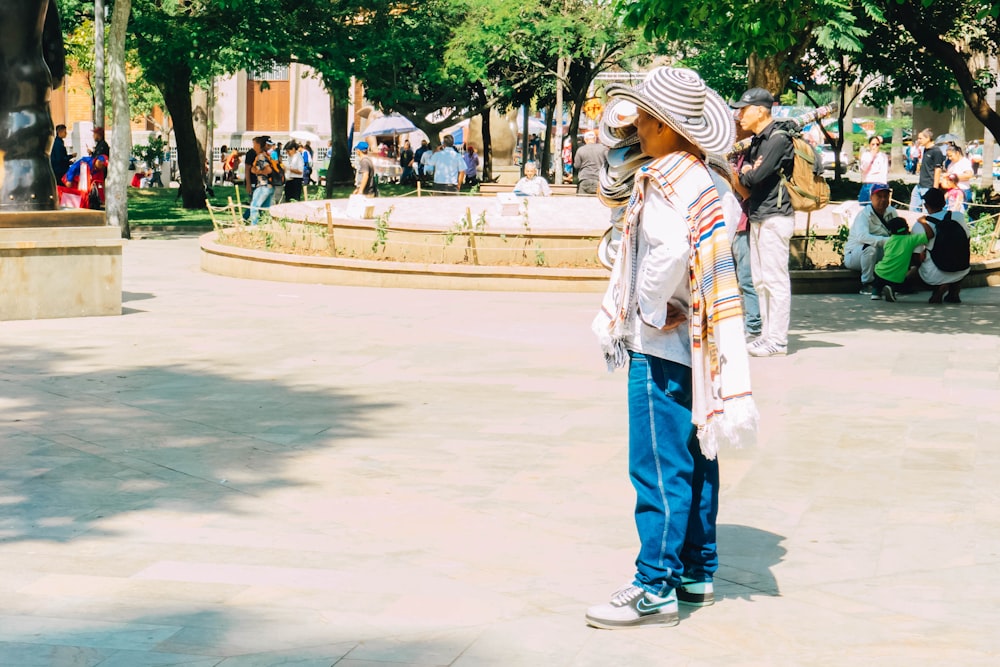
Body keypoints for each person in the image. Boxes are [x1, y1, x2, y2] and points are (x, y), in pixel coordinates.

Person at [587, 66, 757, 631]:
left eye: (644, 121)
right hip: (700, 345)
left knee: (657, 466)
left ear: (662, 125)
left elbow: (662, 253)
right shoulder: (705, 181)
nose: (635, 130)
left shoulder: (663, 181)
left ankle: (653, 584)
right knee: (697, 460)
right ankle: (695, 570)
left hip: (661, 344)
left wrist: (649, 309)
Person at [733, 86, 795, 357]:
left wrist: (746, 170)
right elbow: (748, 174)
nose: (740, 115)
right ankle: (767, 335)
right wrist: (747, 170)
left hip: (775, 215)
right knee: (760, 280)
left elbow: (752, 178)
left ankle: (778, 340)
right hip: (759, 214)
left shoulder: (777, 139)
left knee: (775, 281)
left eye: (744, 109)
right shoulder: (759, 139)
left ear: (760, 110)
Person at [728, 120, 762, 342]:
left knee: (746, 278)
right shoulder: (725, 155)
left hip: (742, 223)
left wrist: (730, 174)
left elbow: (747, 192)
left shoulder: (749, 158)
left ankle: (754, 325)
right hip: (723, 225)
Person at [915, 187, 971, 304]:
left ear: (925, 205)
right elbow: (967, 238)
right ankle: (954, 291)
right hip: (962, 267)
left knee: (916, 269)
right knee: (956, 259)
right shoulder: (958, 216)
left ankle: (940, 288)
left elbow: (916, 254)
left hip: (935, 272)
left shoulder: (921, 224)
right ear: (944, 202)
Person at [843, 183, 897, 293]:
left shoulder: (892, 212)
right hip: (855, 255)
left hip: (880, 252)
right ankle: (867, 283)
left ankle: (894, 281)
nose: (882, 200)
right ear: (871, 197)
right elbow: (863, 237)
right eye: (879, 196)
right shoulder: (864, 214)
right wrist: (888, 241)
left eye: (885, 196)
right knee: (870, 248)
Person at [872, 217, 935, 302]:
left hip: (879, 272)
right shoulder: (910, 240)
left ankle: (876, 292)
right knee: (903, 284)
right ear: (906, 228)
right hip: (896, 277)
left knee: (878, 283)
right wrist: (923, 222)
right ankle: (891, 289)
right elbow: (930, 234)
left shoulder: (889, 241)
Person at [909, 128, 945, 212]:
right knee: (913, 208)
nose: (918, 140)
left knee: (927, 210)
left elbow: (938, 169)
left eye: (920, 138)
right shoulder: (925, 149)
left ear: (928, 138)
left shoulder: (936, 151)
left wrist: (935, 188)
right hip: (920, 184)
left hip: (929, 185)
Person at [248, 136, 274, 225]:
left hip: (263, 186)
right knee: (265, 210)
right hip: (269, 186)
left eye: (254, 144)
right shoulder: (266, 155)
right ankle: (266, 226)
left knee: (254, 207)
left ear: (259, 145)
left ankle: (254, 227)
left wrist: (259, 171)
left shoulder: (261, 156)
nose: (253, 146)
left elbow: (268, 170)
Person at [574, 130, 608, 194]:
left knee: (581, 202)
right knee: (598, 202)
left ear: (585, 139)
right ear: (595, 139)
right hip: (599, 180)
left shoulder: (580, 150)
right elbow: (609, 162)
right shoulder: (603, 148)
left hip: (584, 179)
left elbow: (577, 165)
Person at [858, 135, 888, 205]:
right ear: (869, 145)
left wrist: (884, 185)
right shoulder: (866, 155)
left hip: (878, 184)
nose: (875, 146)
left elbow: (884, 172)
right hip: (868, 183)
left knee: (875, 206)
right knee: (863, 206)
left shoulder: (883, 156)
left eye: (877, 144)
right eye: (873, 144)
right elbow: (863, 168)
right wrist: (872, 156)